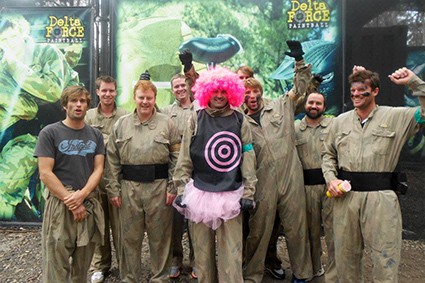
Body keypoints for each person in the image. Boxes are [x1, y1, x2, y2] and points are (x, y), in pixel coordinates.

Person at [322, 66, 425, 282]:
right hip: (345, 199)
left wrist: (414, 82)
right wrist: (331, 179)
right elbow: (327, 155)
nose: (357, 94)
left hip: (381, 200)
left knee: (385, 257)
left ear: (375, 91)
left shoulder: (397, 116)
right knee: (345, 258)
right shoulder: (339, 122)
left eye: (363, 90)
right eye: (353, 91)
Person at [173, 66, 257, 283]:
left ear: (230, 92)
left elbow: (248, 155)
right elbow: (185, 156)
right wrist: (181, 188)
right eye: (215, 91)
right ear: (206, 92)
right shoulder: (196, 118)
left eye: (223, 91)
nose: (219, 96)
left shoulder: (240, 120)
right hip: (200, 192)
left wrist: (249, 192)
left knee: (232, 253)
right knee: (202, 254)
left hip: (231, 192)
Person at [243, 41, 314, 283]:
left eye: (255, 91)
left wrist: (299, 62)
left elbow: (301, 87)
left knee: (296, 228)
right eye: (246, 93)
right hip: (263, 182)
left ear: (261, 91)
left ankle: (303, 275)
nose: (252, 97)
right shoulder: (240, 121)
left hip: (290, 177)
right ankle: (252, 275)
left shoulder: (282, 105)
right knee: (258, 231)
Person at [0, 13, 79, 220]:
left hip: (61, 134)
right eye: (2, 42)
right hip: (26, 135)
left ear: (23, 33)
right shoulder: (3, 66)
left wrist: (15, 66)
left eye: (10, 39)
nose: (7, 45)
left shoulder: (46, 53)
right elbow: (17, 107)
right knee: (7, 190)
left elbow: (52, 91)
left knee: (56, 197)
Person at [105, 79, 180, 282]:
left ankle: (160, 278)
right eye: (141, 97)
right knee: (129, 238)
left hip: (159, 187)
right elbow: (112, 159)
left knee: (161, 238)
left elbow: (176, 158)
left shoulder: (167, 124)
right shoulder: (121, 125)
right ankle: (130, 278)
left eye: (149, 98)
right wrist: (113, 190)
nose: (145, 102)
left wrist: (173, 187)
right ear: (134, 98)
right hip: (129, 189)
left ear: (155, 99)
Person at [34, 85, 105, 282]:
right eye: (74, 101)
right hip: (60, 206)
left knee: (81, 270)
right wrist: (71, 201)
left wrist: (82, 196)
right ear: (65, 105)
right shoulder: (50, 133)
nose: (78, 105)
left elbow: (98, 169)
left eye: (83, 101)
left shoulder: (95, 135)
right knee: (56, 267)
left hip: (87, 203)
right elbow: (45, 173)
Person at [86, 76, 128, 283]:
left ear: (116, 92)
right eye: (104, 91)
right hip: (95, 181)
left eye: (111, 90)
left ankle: (125, 265)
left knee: (121, 226)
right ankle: (100, 266)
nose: (108, 94)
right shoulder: (88, 117)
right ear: (97, 92)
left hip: (119, 180)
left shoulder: (125, 116)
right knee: (99, 225)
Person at [295, 91, 337, 282]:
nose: (314, 106)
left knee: (333, 230)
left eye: (318, 103)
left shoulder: (333, 126)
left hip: (331, 187)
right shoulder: (295, 128)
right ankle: (314, 267)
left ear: (324, 107)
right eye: (311, 102)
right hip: (307, 187)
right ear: (305, 104)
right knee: (310, 231)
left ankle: (335, 270)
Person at [161, 72, 197, 279]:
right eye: (176, 86)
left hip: (198, 172)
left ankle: (196, 260)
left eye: (183, 85)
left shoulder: (200, 109)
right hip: (175, 172)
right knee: (174, 220)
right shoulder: (166, 113)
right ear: (172, 89)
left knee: (195, 219)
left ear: (189, 86)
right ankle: (176, 259)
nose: (180, 89)